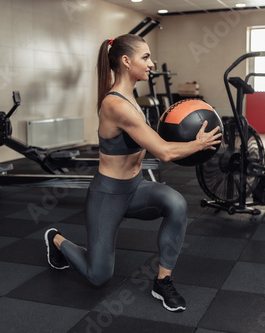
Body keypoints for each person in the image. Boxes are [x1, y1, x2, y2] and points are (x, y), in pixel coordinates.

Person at [44, 34, 221, 312]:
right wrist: (197, 145)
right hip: (108, 194)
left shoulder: (132, 96)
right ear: (126, 61)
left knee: (176, 203)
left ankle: (163, 281)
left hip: (136, 189)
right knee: (98, 276)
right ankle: (56, 239)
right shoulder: (115, 105)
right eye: (146, 57)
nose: (152, 63)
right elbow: (163, 152)